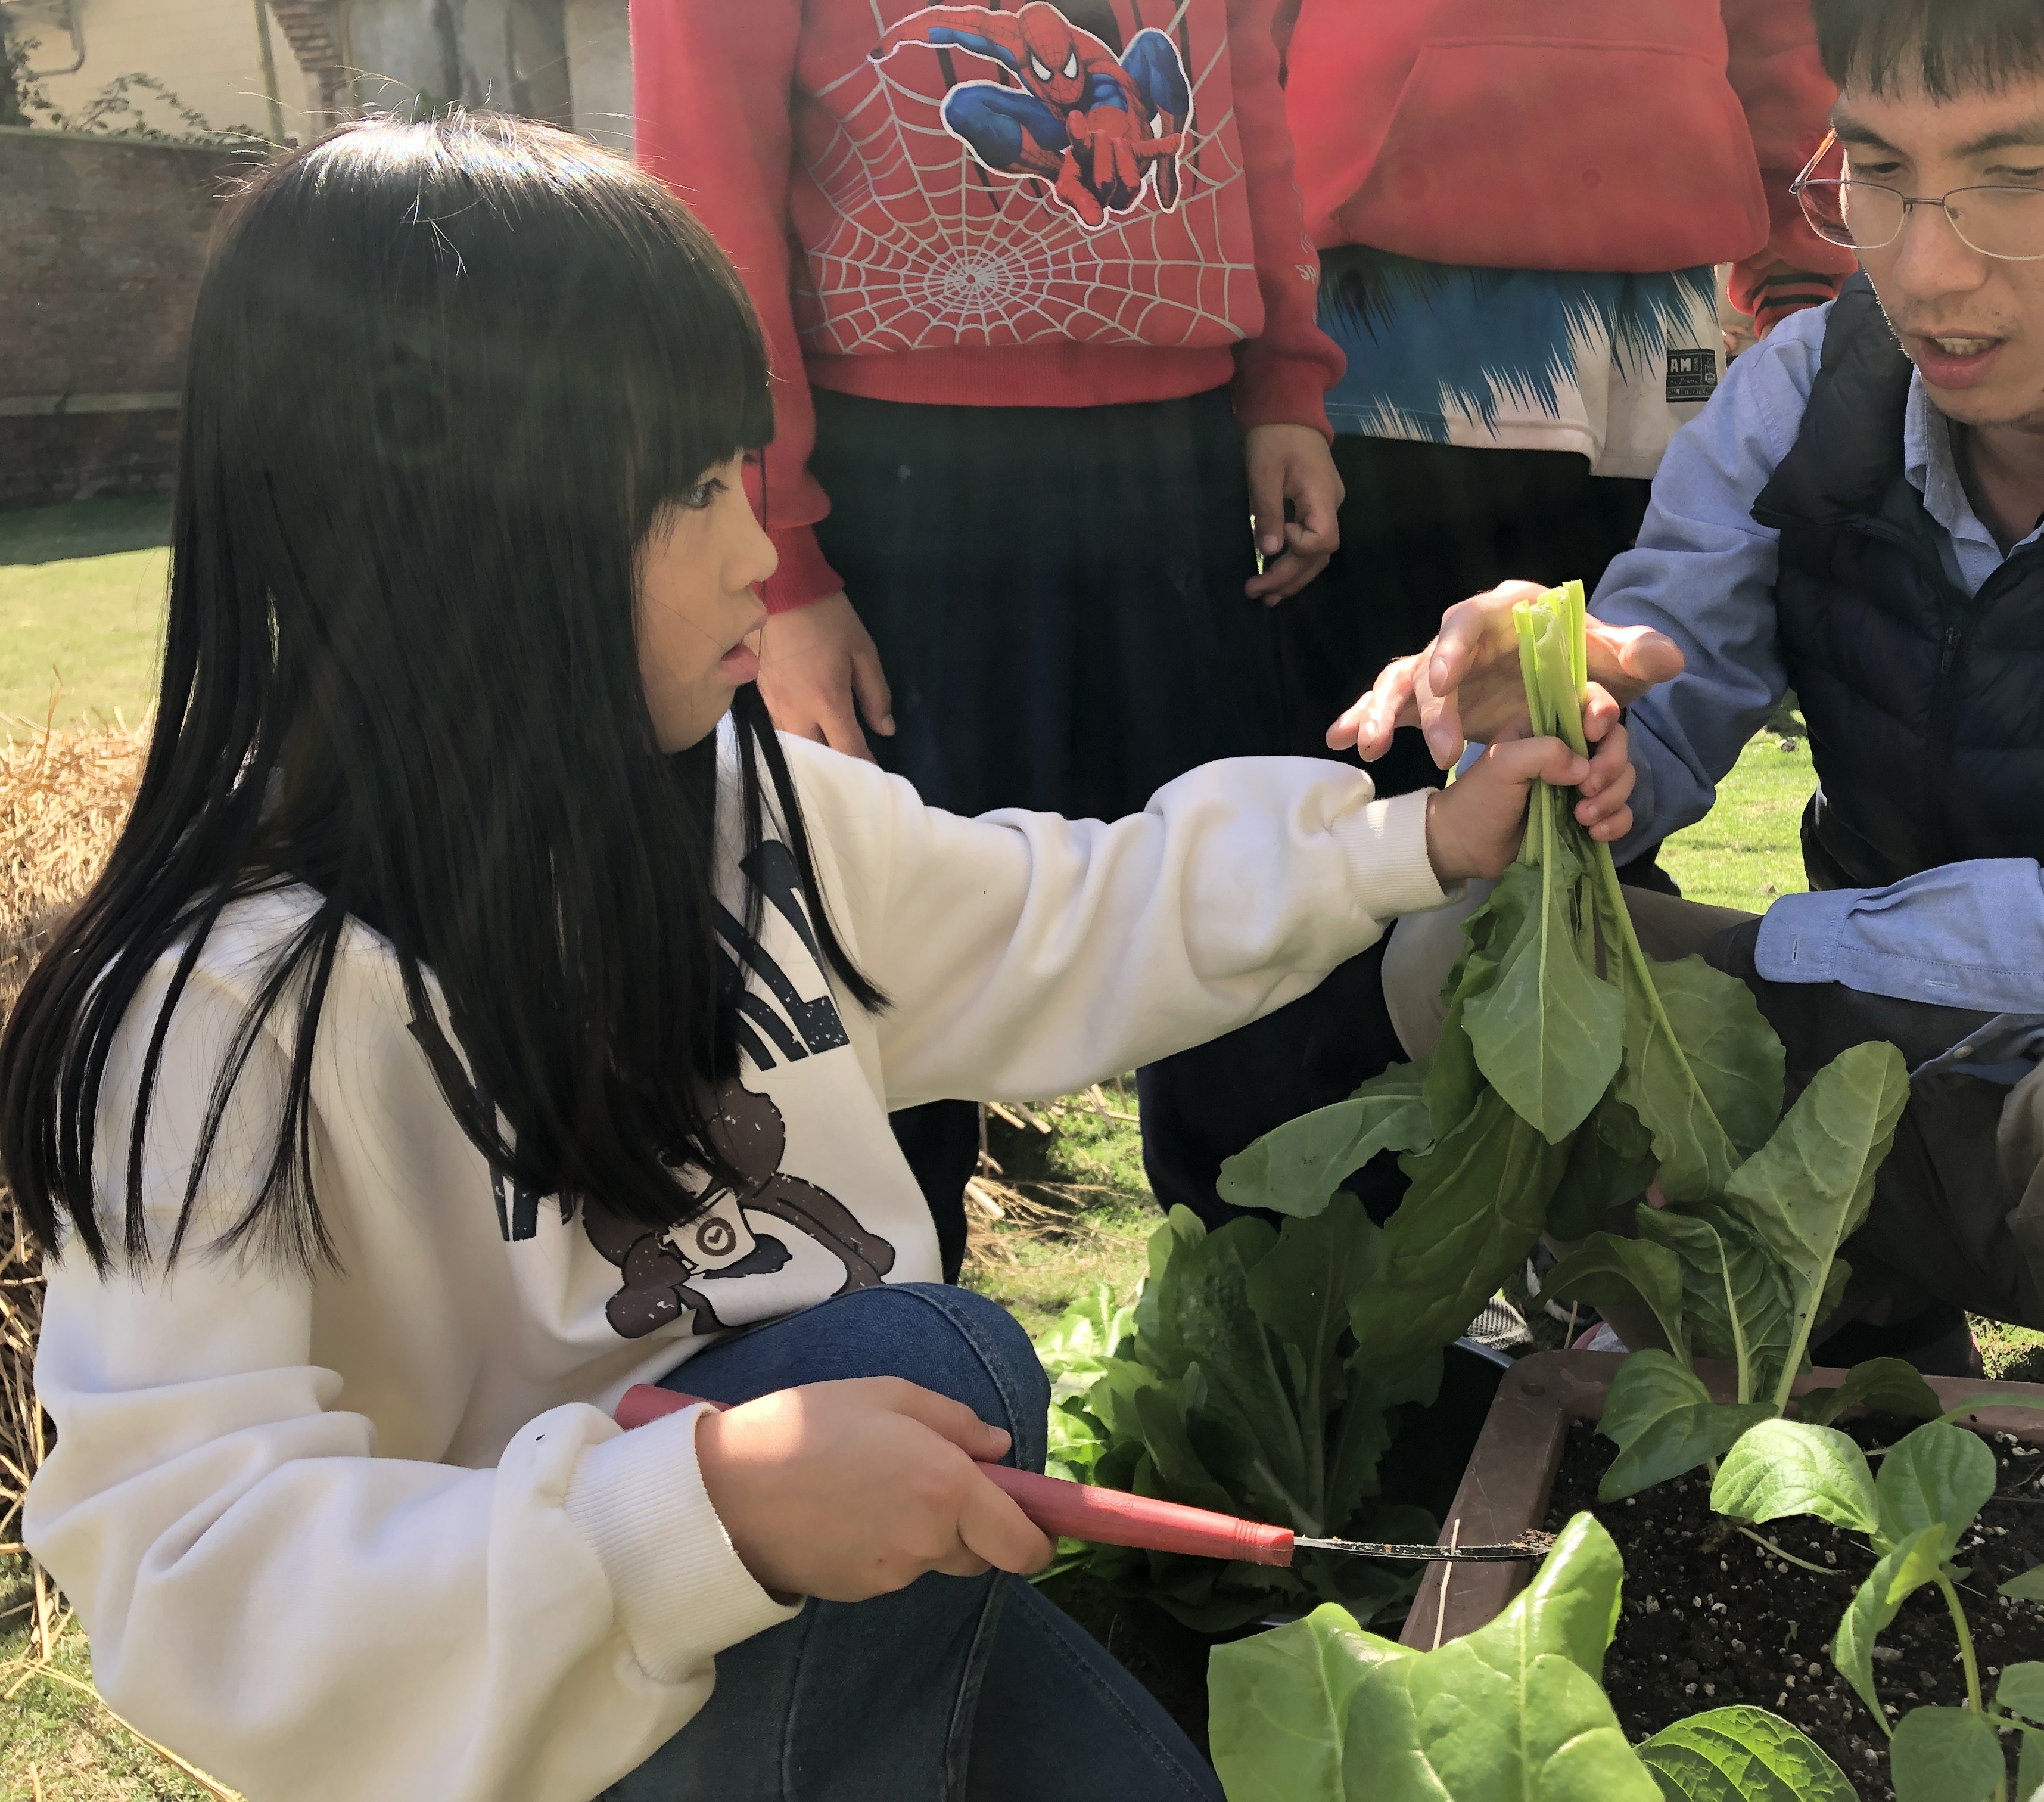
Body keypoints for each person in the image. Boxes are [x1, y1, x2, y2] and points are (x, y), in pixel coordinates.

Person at [1, 117, 1632, 1802]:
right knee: (936, 1358)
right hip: (561, 1731)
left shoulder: (739, 817)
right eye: (690, 491)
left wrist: (1416, 843)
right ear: (447, 524)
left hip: (851, 1621)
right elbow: (185, 1560)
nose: (752, 551)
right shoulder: (219, 1009)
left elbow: (1058, 917)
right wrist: (707, 1512)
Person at [1339, 0, 2044, 1398]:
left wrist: (1821, 943)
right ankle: (1806, 1350)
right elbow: (1663, 686)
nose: (1927, 269)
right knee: (1469, 945)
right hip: (1902, 1062)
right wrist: (1557, 713)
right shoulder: (1812, 384)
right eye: (1882, 172)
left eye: (2021, 181)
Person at [630, 0, 1350, 1282]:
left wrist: (1283, 384)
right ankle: (891, 1378)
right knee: (884, 971)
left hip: (1178, 456)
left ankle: (1269, 1405)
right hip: (894, 491)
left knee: (1248, 940)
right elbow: (706, 196)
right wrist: (783, 561)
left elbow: (1242, 104)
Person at [1135, 0, 1856, 1248]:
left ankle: (1565, 1277)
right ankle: (1265, 1290)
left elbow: (1782, 48)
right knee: (1311, 799)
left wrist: (1811, 291)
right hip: (1351, 339)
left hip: (1654, 339)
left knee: (1586, 813)